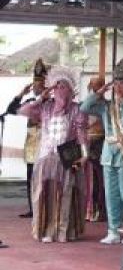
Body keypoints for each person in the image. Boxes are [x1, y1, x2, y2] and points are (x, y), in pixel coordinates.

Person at [80, 60, 123, 244]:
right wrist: (99, 92)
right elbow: (84, 108)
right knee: (111, 196)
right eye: (116, 83)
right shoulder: (106, 106)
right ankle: (113, 231)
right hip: (108, 155)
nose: (118, 87)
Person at [19, 67, 88, 242]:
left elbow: (81, 134)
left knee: (66, 193)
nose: (60, 90)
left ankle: (63, 231)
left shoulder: (77, 109)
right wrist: (41, 97)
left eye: (64, 86)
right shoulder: (45, 108)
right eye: (57, 87)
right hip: (46, 157)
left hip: (67, 158)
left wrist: (84, 155)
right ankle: (46, 230)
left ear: (71, 90)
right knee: (44, 193)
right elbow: (23, 111)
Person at [5, 58, 48, 218]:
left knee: (44, 179)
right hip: (31, 145)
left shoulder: (51, 103)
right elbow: (11, 110)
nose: (37, 87)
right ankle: (32, 209)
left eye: (40, 84)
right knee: (30, 179)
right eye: (35, 84)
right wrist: (21, 94)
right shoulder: (30, 102)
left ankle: (44, 208)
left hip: (45, 145)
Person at [82, 113, 106, 223]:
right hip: (88, 149)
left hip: (98, 149)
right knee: (90, 183)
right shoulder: (85, 111)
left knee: (99, 183)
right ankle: (91, 211)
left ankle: (100, 211)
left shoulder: (103, 110)